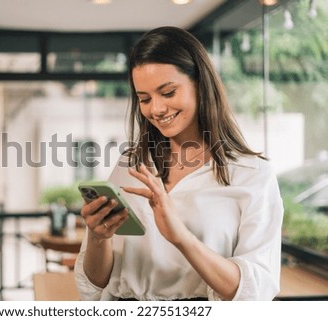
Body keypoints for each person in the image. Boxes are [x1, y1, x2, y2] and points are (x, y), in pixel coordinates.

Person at [74, 26, 283, 301]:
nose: (156, 109)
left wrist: (181, 237)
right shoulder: (131, 165)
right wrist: (98, 238)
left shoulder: (252, 174)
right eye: (145, 99)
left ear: (200, 83)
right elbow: (95, 285)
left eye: (168, 92)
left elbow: (254, 291)